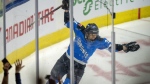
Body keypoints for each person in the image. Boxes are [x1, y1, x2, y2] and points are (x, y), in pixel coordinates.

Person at [47, 0, 140, 84]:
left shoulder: (99, 41)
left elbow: (112, 47)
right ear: (86, 32)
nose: (93, 37)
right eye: (91, 34)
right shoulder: (79, 30)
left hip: (78, 67)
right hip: (65, 60)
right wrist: (66, 9)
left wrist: (125, 47)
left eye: (95, 35)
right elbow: (68, 21)